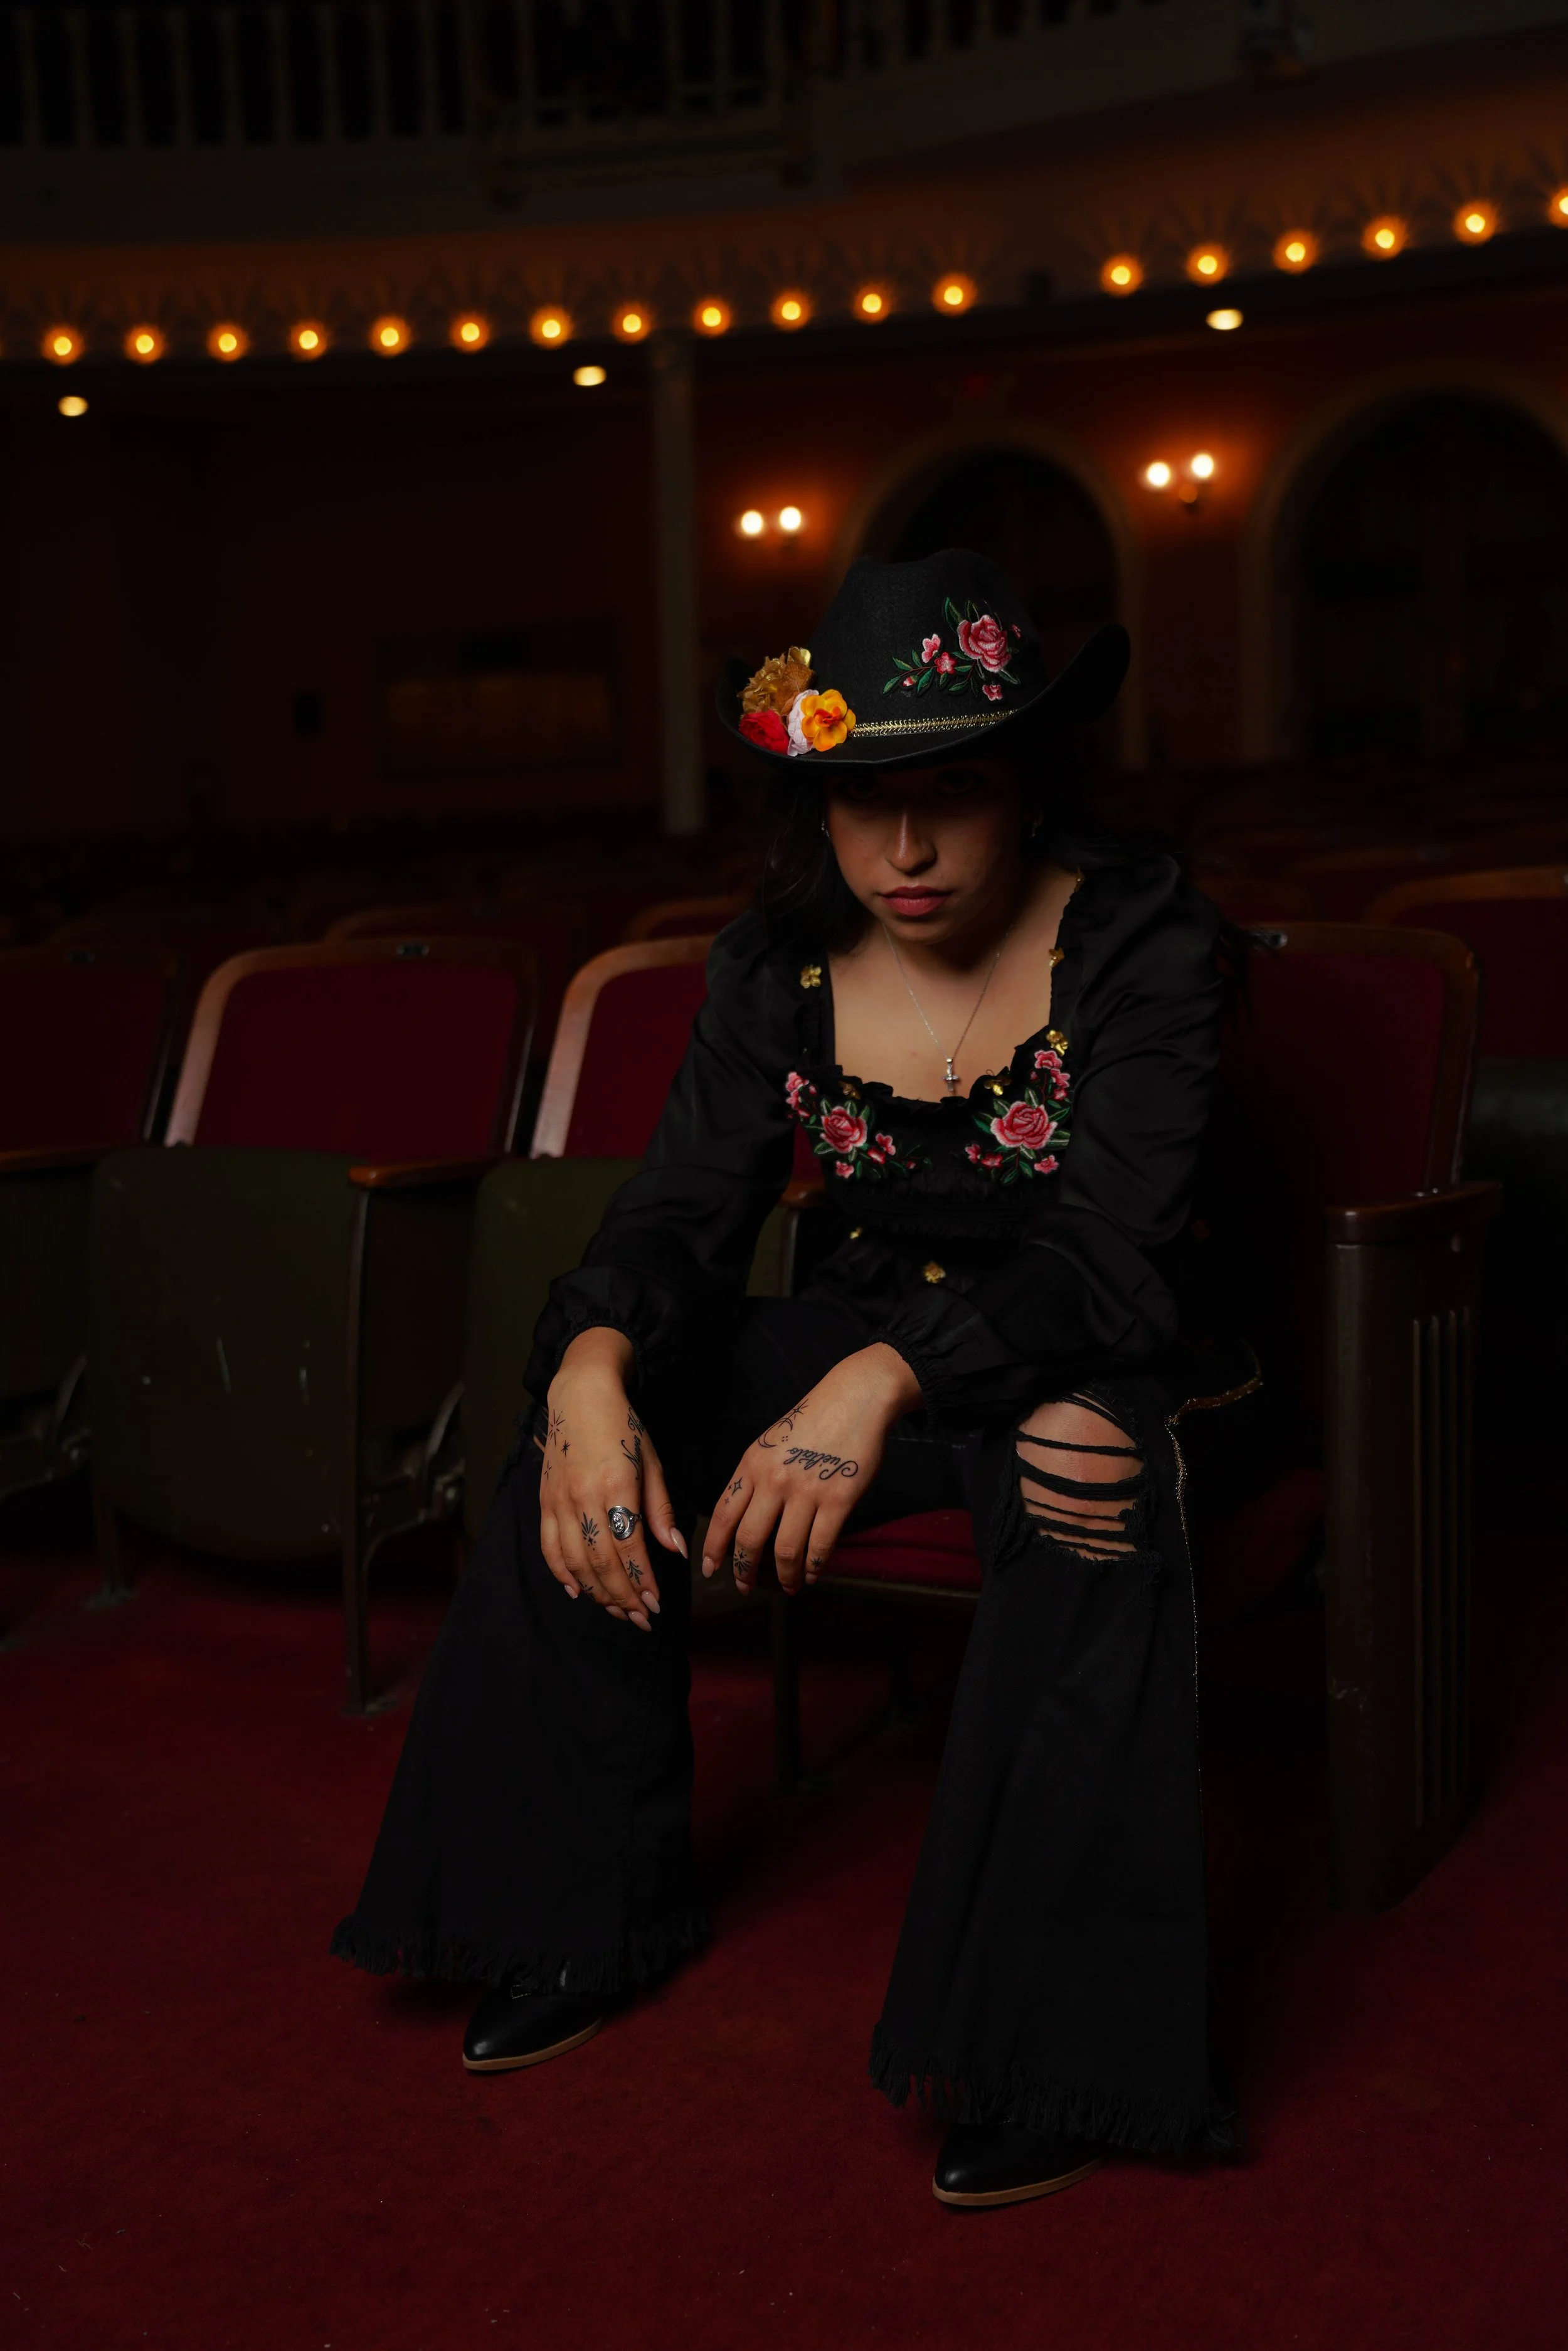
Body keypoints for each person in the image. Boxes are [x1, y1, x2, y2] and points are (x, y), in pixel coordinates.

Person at [333, 549, 1252, 2207]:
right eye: (860, 796)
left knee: (1079, 1473)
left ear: (1025, 780)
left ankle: (1051, 2041)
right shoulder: (775, 966)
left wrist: (883, 1382)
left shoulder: (1142, 938)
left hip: (1089, 1341)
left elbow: (1115, 1255)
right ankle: (574, 1914)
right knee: (583, 1428)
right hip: (862, 1335)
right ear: (814, 800)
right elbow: (679, 1214)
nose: (902, 848)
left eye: (951, 793)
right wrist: (597, 1371)